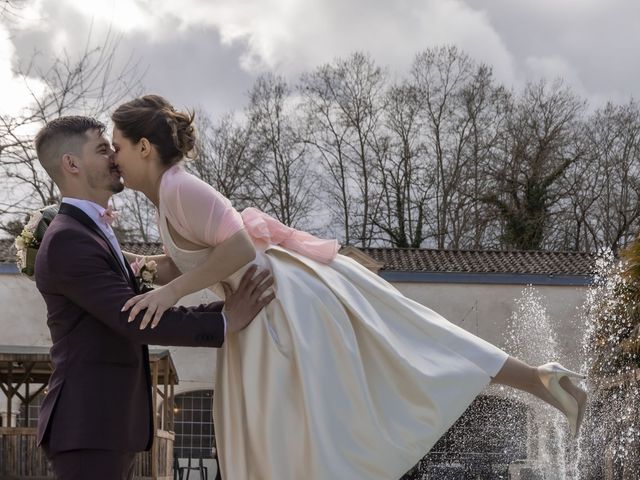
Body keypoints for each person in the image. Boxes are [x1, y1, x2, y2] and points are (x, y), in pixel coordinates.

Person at [112, 95, 588, 480]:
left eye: (116, 146)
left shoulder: (178, 188)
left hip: (281, 307)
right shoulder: (169, 195)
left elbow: (236, 247)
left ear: (144, 148)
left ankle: (544, 380)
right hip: (266, 306)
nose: (114, 158)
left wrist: (169, 294)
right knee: (409, 344)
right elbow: (182, 262)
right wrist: (127, 263)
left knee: (335, 412)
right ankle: (544, 380)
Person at [32, 116, 275, 480]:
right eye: (103, 149)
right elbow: (133, 318)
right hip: (89, 425)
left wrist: (225, 306)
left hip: (104, 425)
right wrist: (225, 320)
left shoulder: (93, 231)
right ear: (72, 164)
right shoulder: (70, 239)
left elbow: (148, 301)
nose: (115, 157)